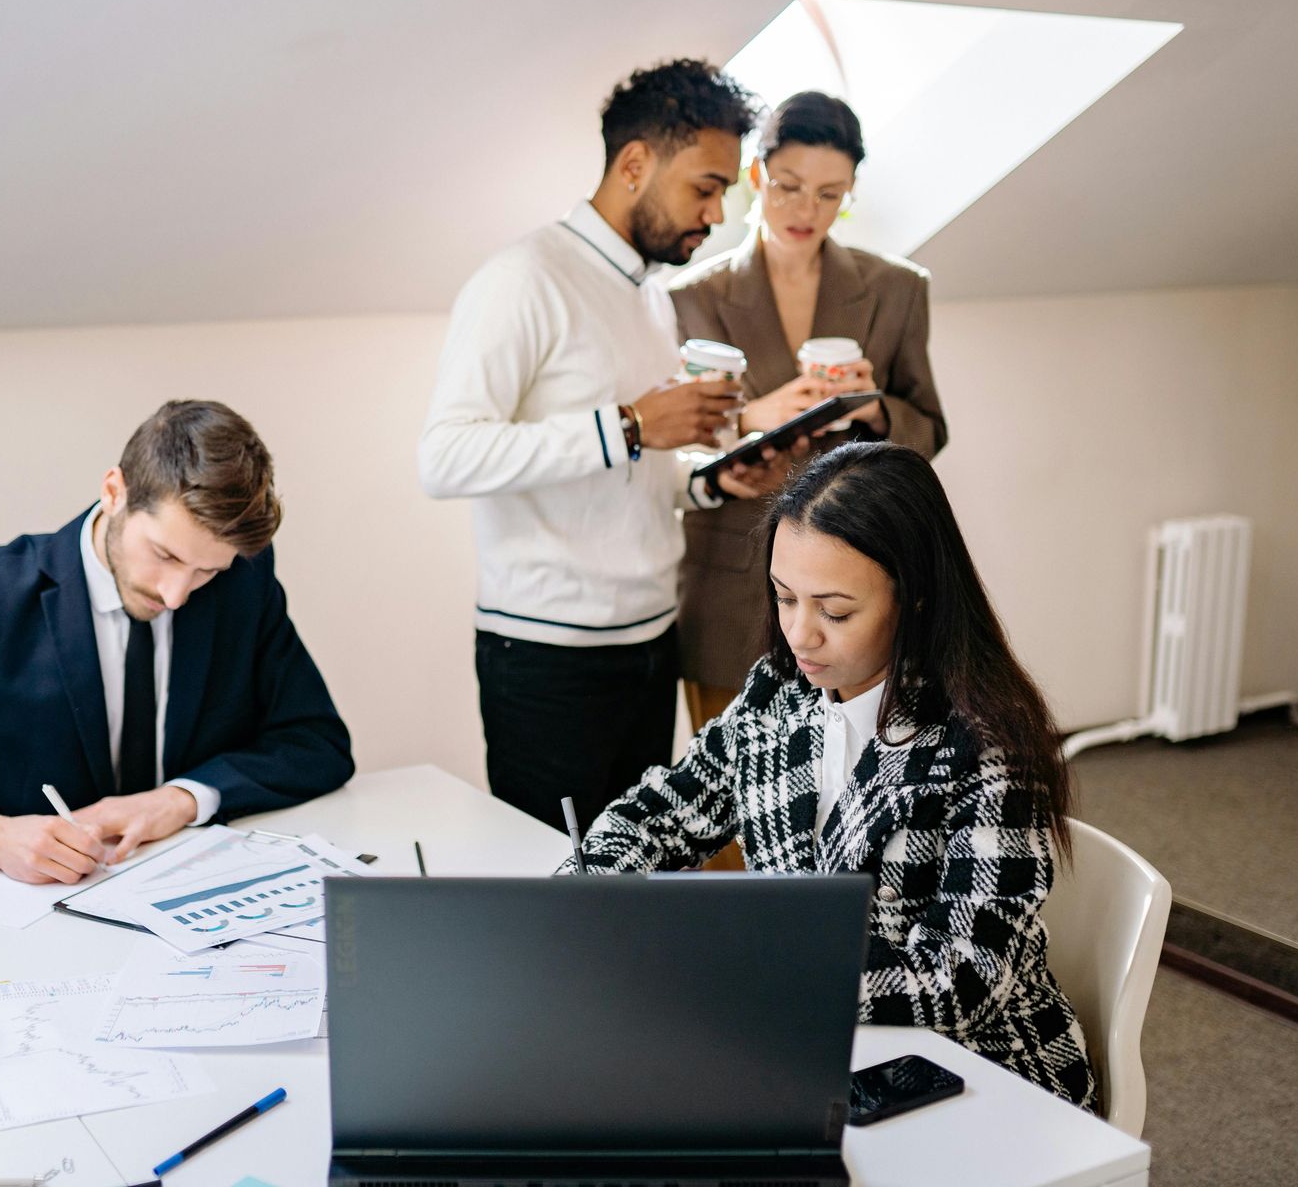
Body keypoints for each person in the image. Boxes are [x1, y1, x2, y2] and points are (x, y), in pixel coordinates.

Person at [567, 443, 1096, 1109]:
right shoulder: (777, 694)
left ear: (918, 600)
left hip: (980, 1074)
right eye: (784, 597)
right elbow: (666, 811)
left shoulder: (986, 749)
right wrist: (582, 894)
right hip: (814, 1043)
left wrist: (757, 972)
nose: (799, 634)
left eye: (835, 611)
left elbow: (958, 983)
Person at [418, 59, 769, 832]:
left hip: (650, 640)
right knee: (556, 898)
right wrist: (633, 425)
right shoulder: (523, 278)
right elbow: (445, 457)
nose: (716, 214)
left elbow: (632, 468)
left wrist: (709, 479)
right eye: (705, 187)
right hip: (548, 660)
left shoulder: (649, 295)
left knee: (636, 879)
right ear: (635, 164)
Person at [0, 400, 354, 882]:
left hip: (200, 899)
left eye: (207, 571)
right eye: (165, 555)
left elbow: (316, 743)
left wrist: (182, 799)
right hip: (45, 917)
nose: (178, 594)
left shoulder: (243, 581)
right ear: (115, 492)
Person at [668, 91, 947, 731]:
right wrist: (751, 416)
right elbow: (670, 447)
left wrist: (872, 407)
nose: (806, 210)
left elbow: (928, 429)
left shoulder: (898, 289)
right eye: (789, 186)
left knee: (859, 788)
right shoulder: (691, 297)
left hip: (862, 574)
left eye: (830, 193)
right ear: (756, 175)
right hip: (733, 576)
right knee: (728, 802)